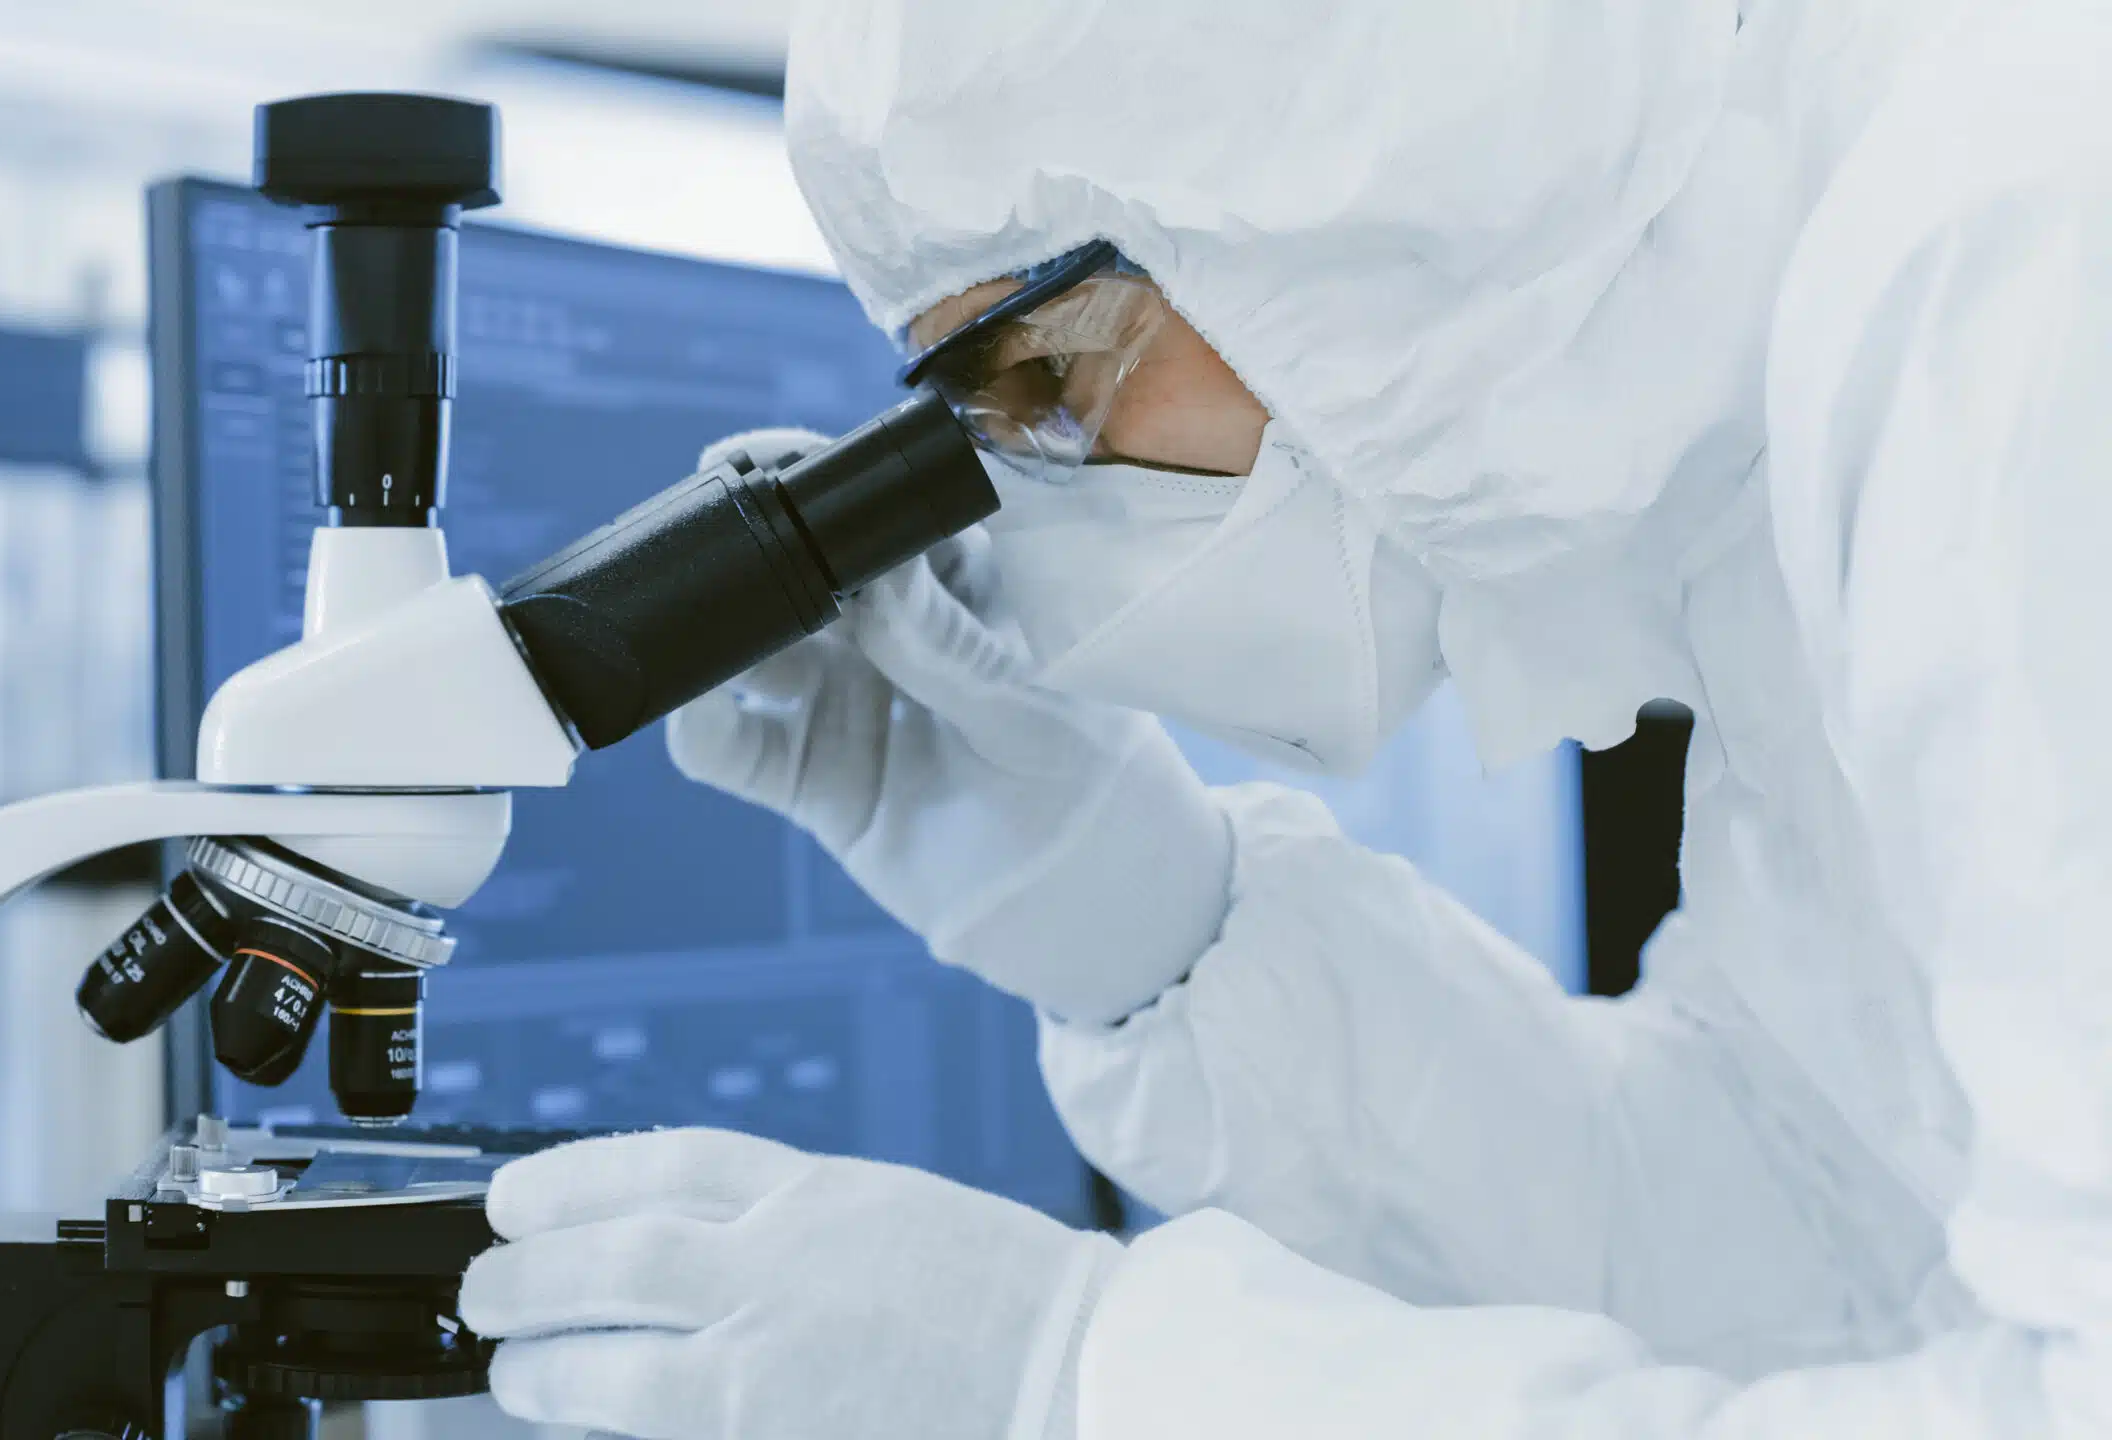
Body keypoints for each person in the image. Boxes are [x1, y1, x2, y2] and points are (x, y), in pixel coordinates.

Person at [458, 0, 2112, 1434]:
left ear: (1346, 166)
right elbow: (1812, 1244)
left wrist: (1082, 1383)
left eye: (1048, 387)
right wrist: (1154, 918)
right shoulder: (1777, 458)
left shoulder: (2011, 287)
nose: (1042, 504)